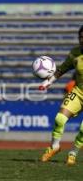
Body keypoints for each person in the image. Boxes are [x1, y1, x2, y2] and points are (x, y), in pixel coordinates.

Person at [39, 25, 83, 165]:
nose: (82, 39)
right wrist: (48, 82)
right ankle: (55, 146)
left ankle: (73, 153)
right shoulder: (75, 53)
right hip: (79, 92)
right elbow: (61, 69)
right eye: (80, 37)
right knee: (60, 118)